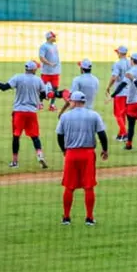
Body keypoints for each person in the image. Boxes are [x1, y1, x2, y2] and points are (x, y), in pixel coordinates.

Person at [55, 91, 109, 225]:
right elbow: (102, 134)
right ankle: (89, 218)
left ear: (74, 101)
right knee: (89, 186)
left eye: (70, 101)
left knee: (69, 186)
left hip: (71, 154)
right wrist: (105, 149)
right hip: (88, 154)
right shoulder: (93, 115)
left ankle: (66, 217)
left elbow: (59, 136)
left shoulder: (65, 116)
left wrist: (64, 150)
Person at [0, 60, 49, 169]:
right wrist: (40, 101)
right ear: (34, 69)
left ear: (26, 69)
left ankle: (15, 162)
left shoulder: (18, 77)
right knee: (35, 136)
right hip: (31, 112)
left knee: (16, 136)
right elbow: (43, 94)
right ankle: (40, 155)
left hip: (19, 112)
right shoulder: (38, 80)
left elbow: (4, 87)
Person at [106, 45, 131, 141]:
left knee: (117, 114)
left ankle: (125, 133)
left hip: (120, 92)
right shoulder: (130, 63)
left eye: (117, 52)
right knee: (123, 114)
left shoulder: (117, 64)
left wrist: (108, 87)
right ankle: (120, 134)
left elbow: (114, 77)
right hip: (129, 92)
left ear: (120, 53)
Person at [39, 31, 61, 111]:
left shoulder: (55, 46)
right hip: (46, 72)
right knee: (42, 88)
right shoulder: (44, 46)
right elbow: (41, 58)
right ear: (49, 37)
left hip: (55, 72)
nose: (55, 38)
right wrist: (50, 64)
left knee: (55, 89)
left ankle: (52, 105)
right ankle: (40, 103)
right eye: (54, 36)